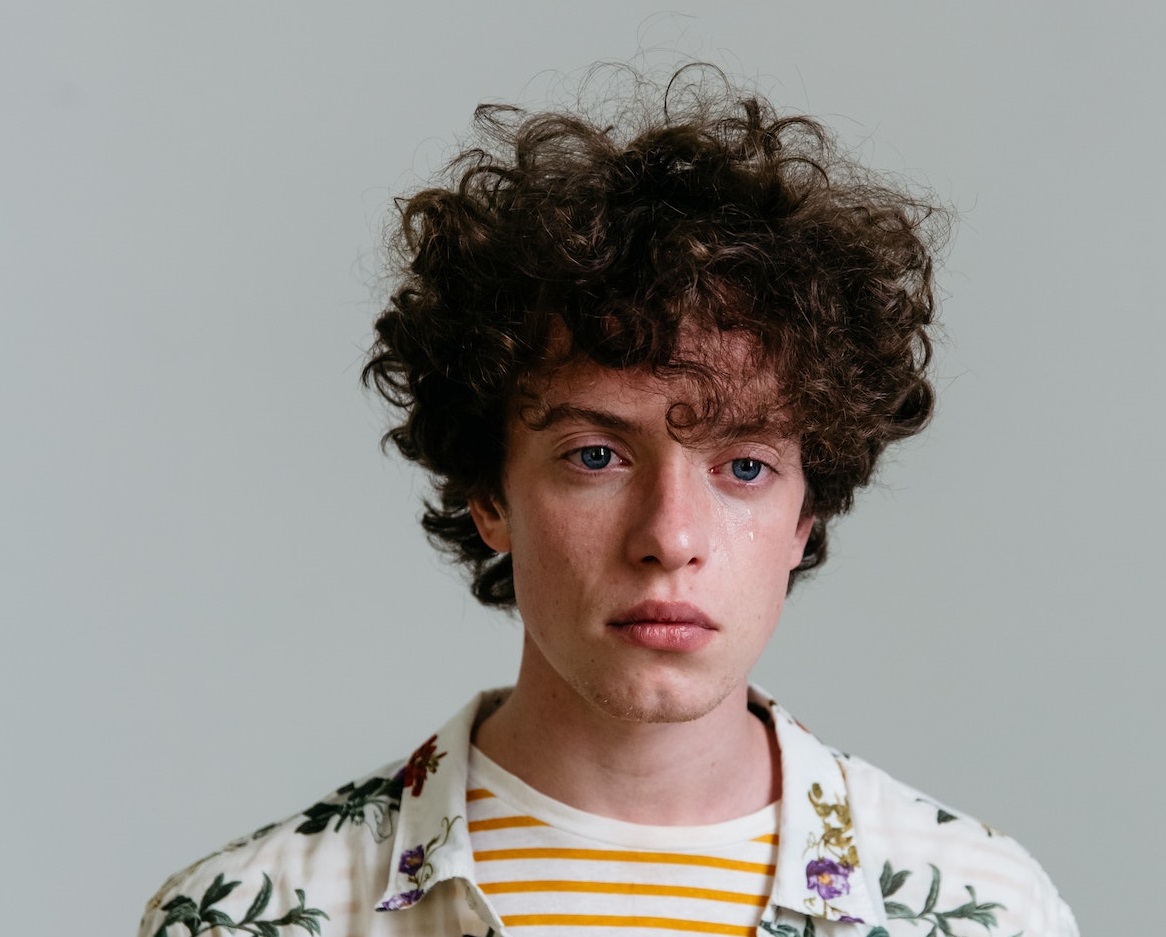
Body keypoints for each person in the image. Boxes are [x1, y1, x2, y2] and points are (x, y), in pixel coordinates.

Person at [138, 67, 1078, 937]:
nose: (670, 536)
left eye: (744, 467)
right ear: (488, 494)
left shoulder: (989, 913)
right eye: (596, 456)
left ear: (807, 515)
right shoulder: (250, 915)